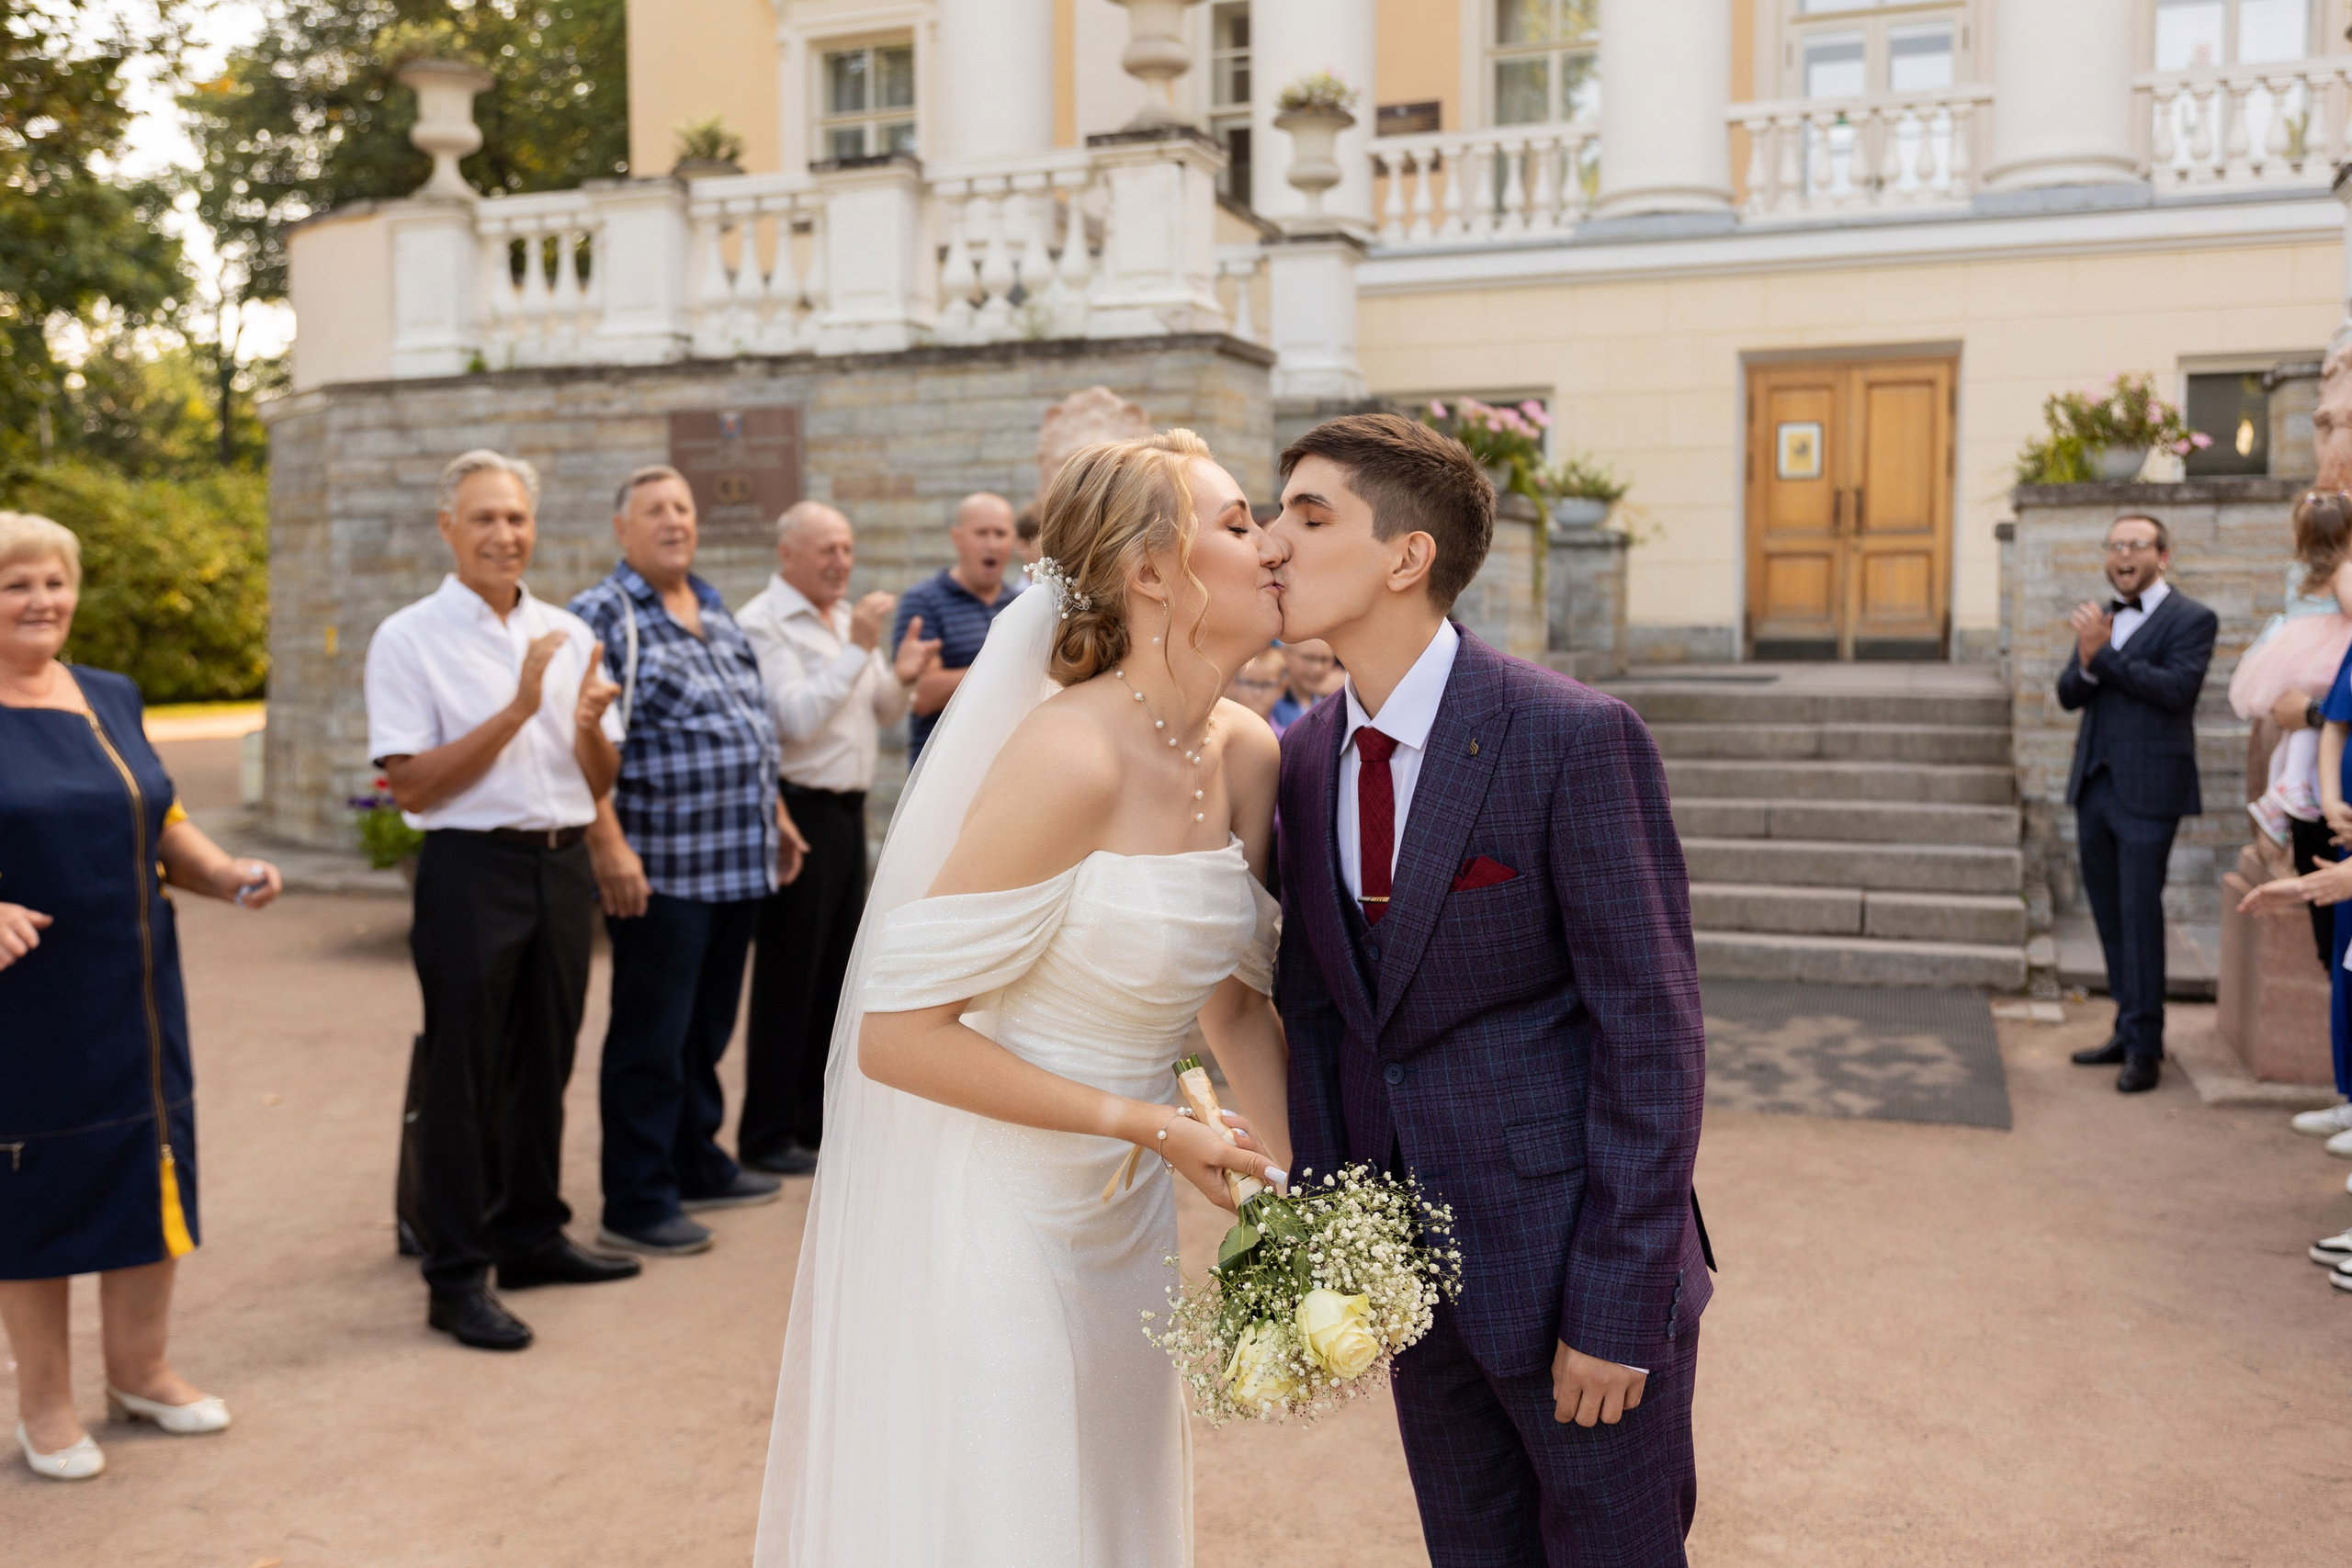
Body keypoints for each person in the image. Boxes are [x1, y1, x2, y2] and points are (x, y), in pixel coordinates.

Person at [754, 432, 1290, 1566]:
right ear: (1152, 572)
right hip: (998, 1209)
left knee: (1106, 1499)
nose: (1272, 545)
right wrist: (1146, 1122)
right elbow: (896, 1040)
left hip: (1122, 1212)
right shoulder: (1067, 756)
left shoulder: (1247, 753)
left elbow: (1237, 1008)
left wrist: (1303, 1206)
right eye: (1239, 524)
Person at [1268, 412, 1712, 1567]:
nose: (1272, 545)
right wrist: (1341, 1259)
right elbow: (1322, 1021)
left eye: (1309, 518)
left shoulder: (1571, 736)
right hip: (1418, 1293)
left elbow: (1652, 1040)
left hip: (1574, 1281)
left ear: (1406, 557)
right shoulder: (1306, 755)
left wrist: (1618, 1307)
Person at [0, 511, 282, 1479]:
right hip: (24, 1011)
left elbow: (161, 817)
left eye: (53, 582)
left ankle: (141, 1371)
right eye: (15, 585)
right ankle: (44, 1404)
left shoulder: (110, 695)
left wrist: (223, 870)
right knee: (34, 1189)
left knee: (146, 1162)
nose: (42, 601)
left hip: (138, 992)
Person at [365, 451, 642, 1354]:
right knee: (464, 1074)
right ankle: (456, 1278)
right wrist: (521, 707)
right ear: (448, 528)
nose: (504, 535)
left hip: (559, 867)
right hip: (471, 869)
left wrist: (589, 726)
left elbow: (596, 775)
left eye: (516, 518)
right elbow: (412, 788)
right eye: (484, 518)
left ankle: (530, 1235)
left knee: (548, 1059)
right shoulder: (408, 639)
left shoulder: (564, 630)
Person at [570, 466, 805, 1258]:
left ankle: (696, 1160)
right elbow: (579, 741)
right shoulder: (603, 615)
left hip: (735, 859)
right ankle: (636, 1199)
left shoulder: (710, 604)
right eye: (655, 511)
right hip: (660, 867)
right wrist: (606, 842)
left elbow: (747, 720)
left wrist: (773, 812)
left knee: (703, 1031)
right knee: (650, 1038)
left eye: (683, 508)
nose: (674, 522)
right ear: (622, 528)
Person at [735, 502, 941, 1176]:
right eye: (825, 549)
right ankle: (766, 1133)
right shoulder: (763, 623)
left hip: (845, 814)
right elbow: (793, 718)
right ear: (786, 553)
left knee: (833, 976)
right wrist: (858, 646)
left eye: (847, 548)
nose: (840, 561)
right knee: (788, 978)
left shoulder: (841, 616)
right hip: (798, 812)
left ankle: (812, 1122)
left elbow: (875, 711)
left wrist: (900, 673)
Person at [2057, 513, 2219, 1094]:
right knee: (2107, 914)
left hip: (2150, 791)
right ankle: (2126, 1027)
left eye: (2136, 544)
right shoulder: (2101, 617)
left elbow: (2176, 691)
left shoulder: (2193, 618)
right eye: (2115, 545)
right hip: (2095, 786)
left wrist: (2103, 659)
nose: (2123, 553)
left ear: (2163, 556)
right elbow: (2067, 694)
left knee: (2139, 913)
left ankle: (2147, 1048)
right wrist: (2085, 658)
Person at [890, 491, 1021, 770]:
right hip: (942, 770)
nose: (992, 544)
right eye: (981, 533)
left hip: (1002, 768)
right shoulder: (924, 601)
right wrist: (1003, 667)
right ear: (957, 538)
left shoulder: (1019, 606)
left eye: (1000, 533)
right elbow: (922, 695)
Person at [1274, 637, 1343, 729]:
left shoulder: (1334, 706)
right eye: (1309, 658)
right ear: (1283, 654)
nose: (1317, 669)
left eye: (1324, 659)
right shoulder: (1270, 702)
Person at [1227, 644, 1289, 731]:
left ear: (1281, 688)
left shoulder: (1284, 739)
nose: (1257, 693)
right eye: (1249, 683)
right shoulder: (1221, 732)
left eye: (1267, 684)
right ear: (1233, 684)